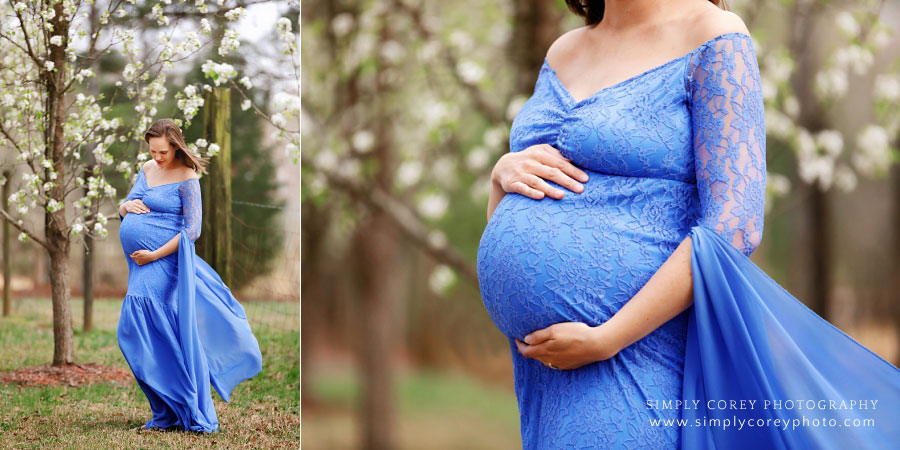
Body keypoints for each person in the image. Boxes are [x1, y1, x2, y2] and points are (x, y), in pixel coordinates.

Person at [476, 0, 900, 448]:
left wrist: (607, 339)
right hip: (545, 367)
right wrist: (501, 175)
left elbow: (734, 224)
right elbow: (518, 218)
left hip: (631, 355)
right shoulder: (563, 51)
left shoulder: (713, 36)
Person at [116, 118, 263, 433]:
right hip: (138, 264)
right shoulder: (147, 169)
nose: (157, 158)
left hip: (164, 263)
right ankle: (165, 411)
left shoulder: (188, 178)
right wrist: (126, 207)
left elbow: (192, 230)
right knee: (151, 333)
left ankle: (178, 406)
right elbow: (125, 205)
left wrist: (155, 254)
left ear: (176, 146)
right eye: (153, 151)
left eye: (163, 152)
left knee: (136, 326)